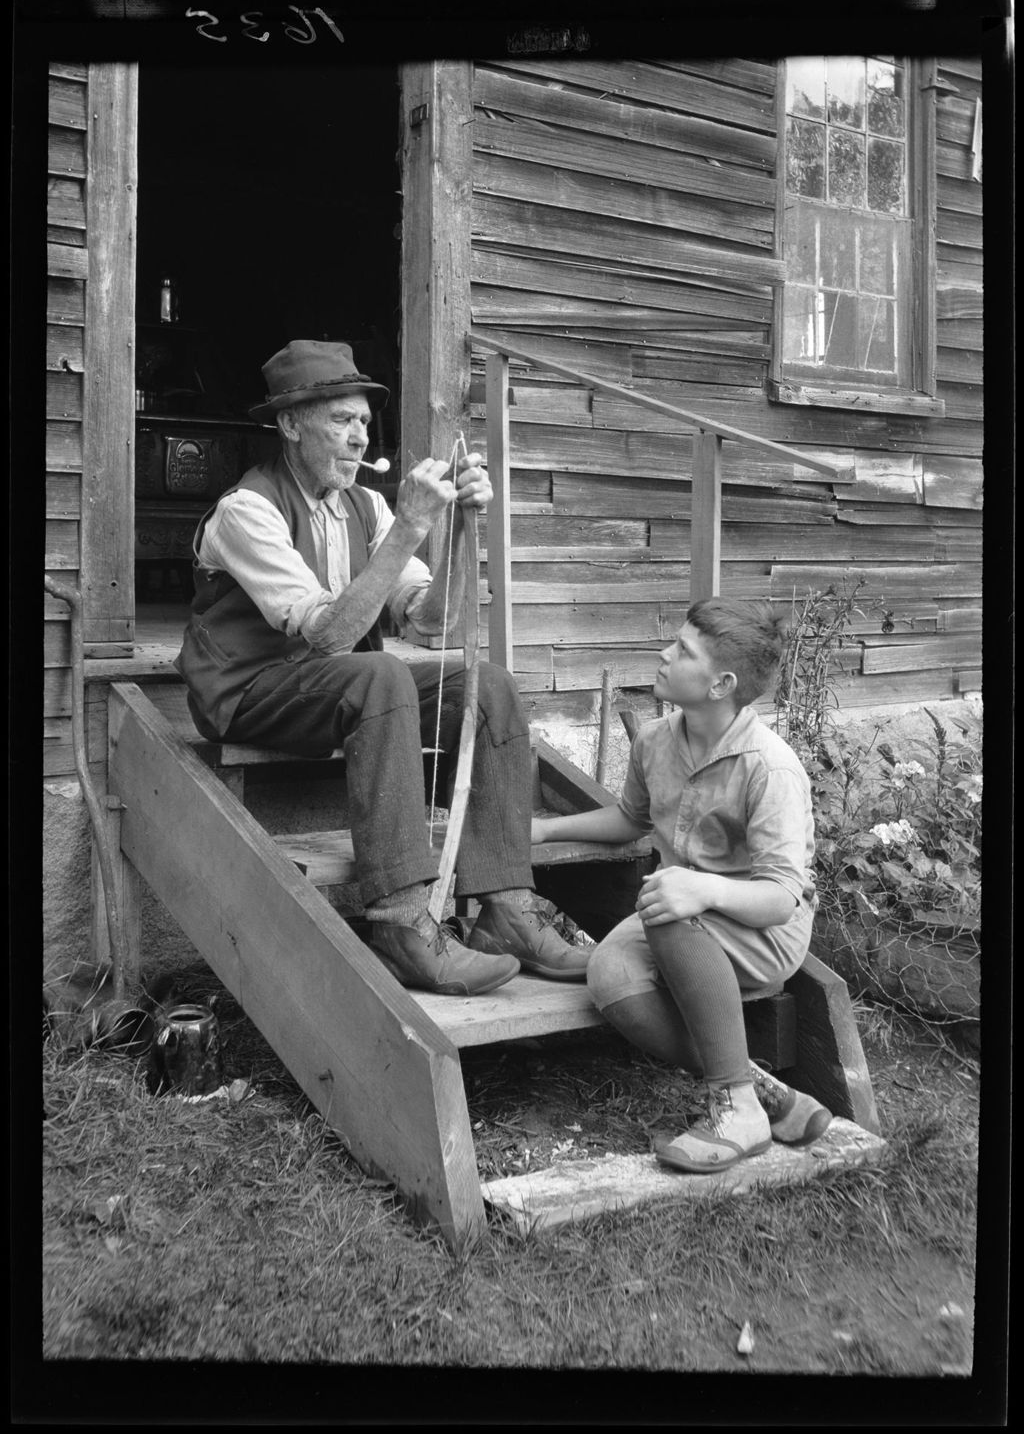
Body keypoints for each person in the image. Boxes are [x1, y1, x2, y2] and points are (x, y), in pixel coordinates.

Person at [175, 339, 590, 996]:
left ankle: (507, 907)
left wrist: (455, 528)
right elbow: (335, 635)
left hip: (334, 685)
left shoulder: (366, 507)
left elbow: (430, 621)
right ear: (289, 425)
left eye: (364, 421)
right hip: (250, 688)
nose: (358, 436)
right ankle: (401, 920)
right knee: (379, 675)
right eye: (341, 419)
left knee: (489, 687)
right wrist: (412, 525)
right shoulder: (246, 511)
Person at [531, 599, 834, 1172]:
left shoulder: (770, 768)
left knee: (668, 901)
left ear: (721, 684)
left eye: (683, 651)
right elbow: (630, 820)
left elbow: (778, 899)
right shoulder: (654, 740)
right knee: (611, 979)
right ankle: (768, 1096)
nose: (664, 655)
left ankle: (734, 1108)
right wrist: (544, 828)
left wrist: (704, 891)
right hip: (679, 912)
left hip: (759, 931)